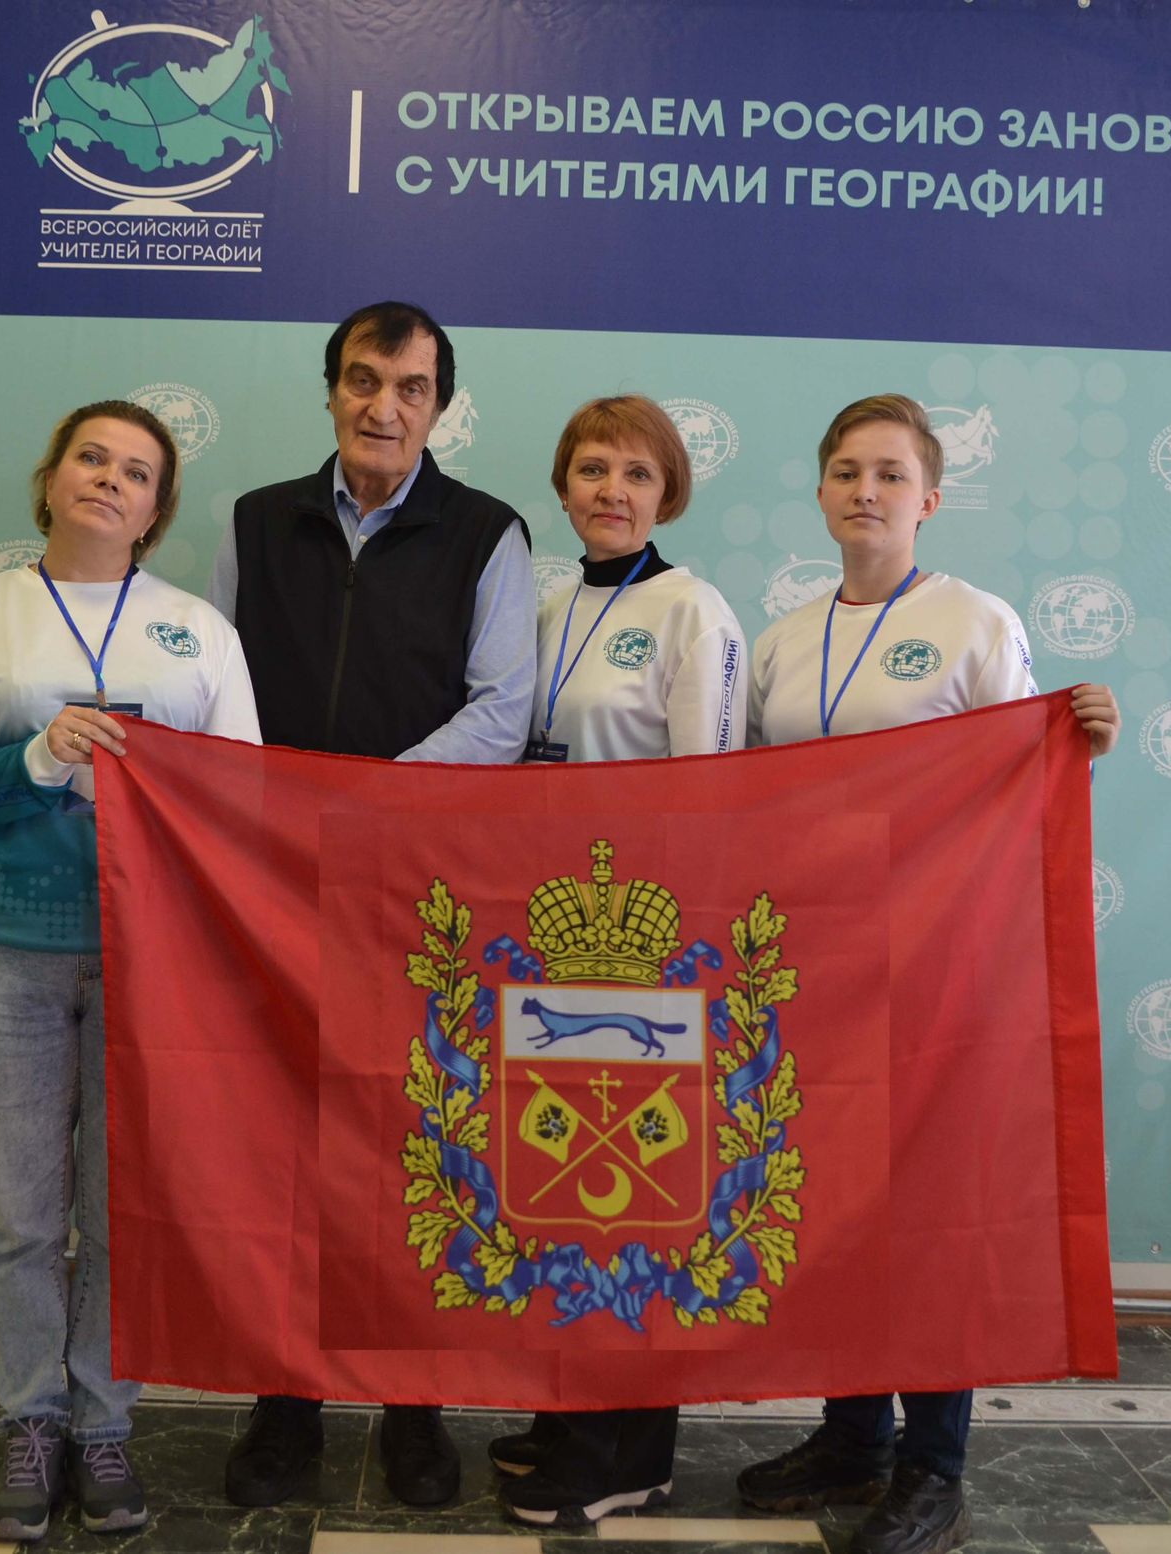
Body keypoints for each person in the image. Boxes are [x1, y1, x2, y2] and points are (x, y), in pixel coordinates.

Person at [734, 394, 1120, 1554]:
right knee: (837, 1201)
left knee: (931, 1211)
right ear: (819, 491)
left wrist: (1082, 744)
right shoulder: (781, 639)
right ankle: (851, 1438)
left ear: (929, 499)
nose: (866, 490)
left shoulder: (973, 622)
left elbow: (1020, 786)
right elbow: (745, 800)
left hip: (937, 968)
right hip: (813, 968)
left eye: (891, 474)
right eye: (846, 470)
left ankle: (933, 1466)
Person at [0, 400, 260, 1542]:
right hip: (2, 951)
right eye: (91, 458)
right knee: (19, 1218)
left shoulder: (198, 630)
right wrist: (38, 757)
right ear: (51, 479)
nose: (110, 478)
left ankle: (103, 1425)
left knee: (119, 1214)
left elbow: (242, 798)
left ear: (157, 510)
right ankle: (30, 1420)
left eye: (137, 472)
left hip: (151, 965)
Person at [208, 300, 537, 1508]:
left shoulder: (489, 533)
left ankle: (413, 1404)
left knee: (419, 1141)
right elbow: (211, 690)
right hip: (272, 887)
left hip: (419, 890)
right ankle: (283, 1400)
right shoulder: (254, 520)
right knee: (282, 1146)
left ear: (439, 406)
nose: (382, 407)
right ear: (331, 388)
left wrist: (364, 807)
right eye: (362, 380)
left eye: (409, 388)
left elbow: (501, 712)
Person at [495, 394, 748, 1527]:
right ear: (563, 488)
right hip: (547, 937)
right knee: (557, 1183)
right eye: (593, 469)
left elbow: (712, 797)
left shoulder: (695, 613)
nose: (613, 490)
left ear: (668, 494)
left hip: (645, 948)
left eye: (638, 474)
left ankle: (628, 1450)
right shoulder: (547, 610)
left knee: (635, 1201)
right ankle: (569, 1416)